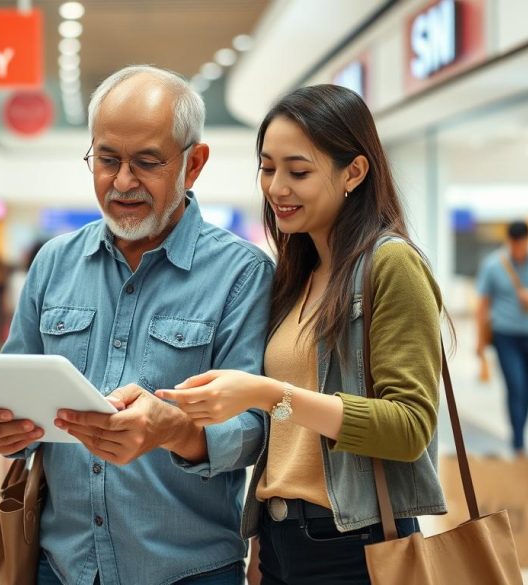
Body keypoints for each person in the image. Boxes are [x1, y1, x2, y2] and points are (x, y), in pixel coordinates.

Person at [0, 65, 274, 585]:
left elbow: (256, 432)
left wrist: (174, 430)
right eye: (107, 159)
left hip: (191, 571)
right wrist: (2, 427)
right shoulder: (53, 263)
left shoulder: (241, 275)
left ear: (193, 164)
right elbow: (16, 397)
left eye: (147, 162)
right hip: (61, 566)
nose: (123, 182)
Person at [155, 84, 447, 584]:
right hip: (281, 538)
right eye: (268, 168)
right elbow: (287, 444)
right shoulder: (297, 274)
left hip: (355, 544)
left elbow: (409, 426)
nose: (276, 188)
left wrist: (269, 394)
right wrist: (261, 541)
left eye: (299, 171)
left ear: (354, 171)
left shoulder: (390, 264)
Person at [476, 220, 528, 455]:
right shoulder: (494, 265)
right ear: (509, 242)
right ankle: (519, 442)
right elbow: (482, 304)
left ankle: (519, 436)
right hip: (505, 336)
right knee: (515, 386)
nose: (518, 250)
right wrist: (480, 342)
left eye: (522, 245)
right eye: (514, 245)